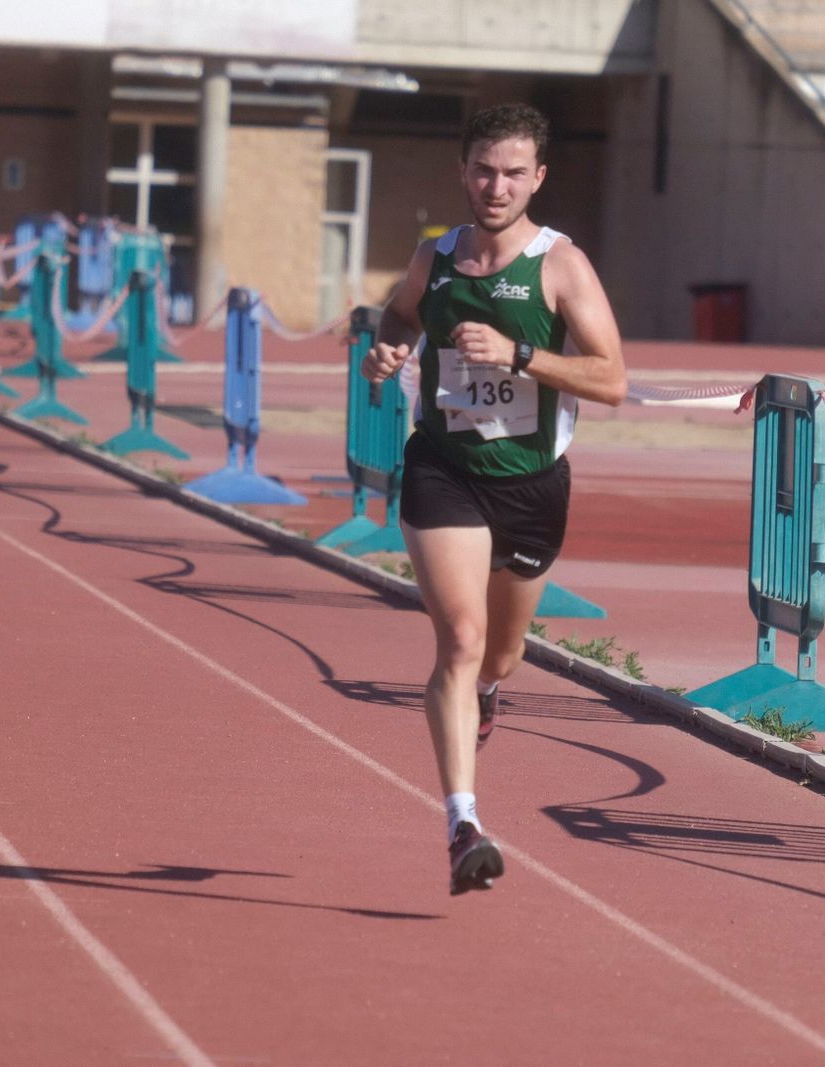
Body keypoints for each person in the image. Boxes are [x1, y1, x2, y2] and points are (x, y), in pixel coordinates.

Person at [362, 103, 627, 895]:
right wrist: (388, 350)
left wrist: (521, 353)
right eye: (483, 168)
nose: (496, 185)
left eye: (514, 172)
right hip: (443, 466)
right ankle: (463, 822)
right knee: (462, 636)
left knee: (502, 656)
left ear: (538, 178)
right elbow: (400, 317)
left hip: (532, 484)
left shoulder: (560, 266)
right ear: (462, 170)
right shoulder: (433, 257)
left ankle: (484, 697)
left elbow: (611, 379)